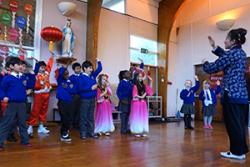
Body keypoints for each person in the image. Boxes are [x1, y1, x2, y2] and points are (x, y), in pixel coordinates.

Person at [203, 28, 249, 160]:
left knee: (232, 124)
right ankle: (241, 150)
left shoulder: (231, 55)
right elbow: (226, 57)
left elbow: (213, 67)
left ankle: (236, 152)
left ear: (233, 41)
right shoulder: (241, 53)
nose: (224, 41)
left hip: (231, 95)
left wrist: (205, 63)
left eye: (227, 39)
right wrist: (215, 47)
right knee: (239, 124)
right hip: (241, 96)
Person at [0, 57, 32, 151]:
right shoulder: (7, 78)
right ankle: (0, 143)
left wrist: (32, 75)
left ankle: (25, 141)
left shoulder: (23, 77)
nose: (20, 66)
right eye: (18, 64)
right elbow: (1, 89)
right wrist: (3, 97)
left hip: (22, 103)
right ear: (11, 66)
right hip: (11, 104)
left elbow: (31, 84)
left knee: (23, 123)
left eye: (21, 64)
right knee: (6, 123)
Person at [27, 56, 54, 136]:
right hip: (39, 94)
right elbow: (34, 85)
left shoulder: (47, 73)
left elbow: (49, 65)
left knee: (44, 110)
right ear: (38, 68)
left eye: (44, 67)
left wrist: (51, 57)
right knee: (36, 110)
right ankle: (30, 126)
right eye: (41, 67)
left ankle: (41, 126)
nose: (43, 69)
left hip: (46, 94)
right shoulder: (35, 75)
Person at [78, 59, 102, 139]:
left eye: (92, 68)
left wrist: (99, 61)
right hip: (85, 99)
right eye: (90, 68)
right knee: (84, 116)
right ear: (84, 68)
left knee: (91, 116)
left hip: (92, 99)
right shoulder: (81, 77)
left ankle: (91, 132)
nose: (91, 69)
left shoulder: (92, 76)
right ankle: (83, 133)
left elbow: (99, 69)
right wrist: (91, 88)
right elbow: (80, 88)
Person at [129, 71, 153, 138]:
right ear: (136, 77)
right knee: (137, 117)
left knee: (143, 117)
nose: (140, 78)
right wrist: (141, 97)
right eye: (139, 76)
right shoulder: (135, 86)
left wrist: (151, 81)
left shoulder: (144, 85)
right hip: (136, 103)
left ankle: (143, 130)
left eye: (141, 76)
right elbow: (134, 95)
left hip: (143, 103)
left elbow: (149, 92)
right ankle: (137, 131)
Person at [56, 66, 77, 142]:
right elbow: (60, 73)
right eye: (65, 74)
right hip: (62, 102)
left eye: (67, 73)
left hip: (70, 102)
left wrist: (69, 88)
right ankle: (64, 134)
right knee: (64, 118)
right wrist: (64, 67)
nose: (66, 75)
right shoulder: (60, 81)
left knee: (70, 118)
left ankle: (65, 132)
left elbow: (74, 90)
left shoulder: (71, 82)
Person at [117, 70, 133, 134]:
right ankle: (123, 130)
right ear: (123, 75)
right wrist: (122, 99)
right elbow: (118, 92)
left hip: (129, 101)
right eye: (127, 73)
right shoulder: (122, 82)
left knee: (127, 116)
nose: (129, 74)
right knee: (123, 116)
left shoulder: (129, 82)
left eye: (129, 73)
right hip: (124, 101)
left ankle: (126, 129)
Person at [69, 62, 82, 129]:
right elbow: (70, 86)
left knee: (79, 111)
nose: (79, 70)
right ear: (74, 69)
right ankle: (71, 124)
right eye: (77, 68)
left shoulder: (82, 76)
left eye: (79, 68)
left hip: (82, 95)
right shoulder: (71, 77)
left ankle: (77, 124)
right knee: (73, 110)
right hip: (74, 95)